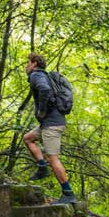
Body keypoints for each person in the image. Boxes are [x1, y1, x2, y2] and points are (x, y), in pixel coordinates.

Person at [23, 52, 77, 205]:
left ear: (34, 63)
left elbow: (45, 91)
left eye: (28, 63)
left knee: (53, 159)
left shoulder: (36, 76)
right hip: (50, 123)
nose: (26, 66)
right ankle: (42, 168)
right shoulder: (43, 76)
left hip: (51, 124)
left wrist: (41, 111)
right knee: (28, 138)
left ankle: (68, 193)